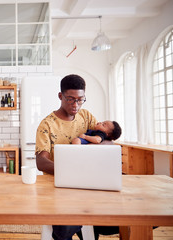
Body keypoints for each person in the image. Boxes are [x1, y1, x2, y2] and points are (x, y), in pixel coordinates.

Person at [35, 74, 120, 240]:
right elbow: (41, 162)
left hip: (86, 183)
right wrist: (70, 171)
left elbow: (106, 141)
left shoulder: (86, 116)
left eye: (80, 100)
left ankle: (90, 228)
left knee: (121, 210)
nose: (76, 105)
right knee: (67, 225)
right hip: (59, 186)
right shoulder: (47, 125)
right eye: (70, 99)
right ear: (60, 96)